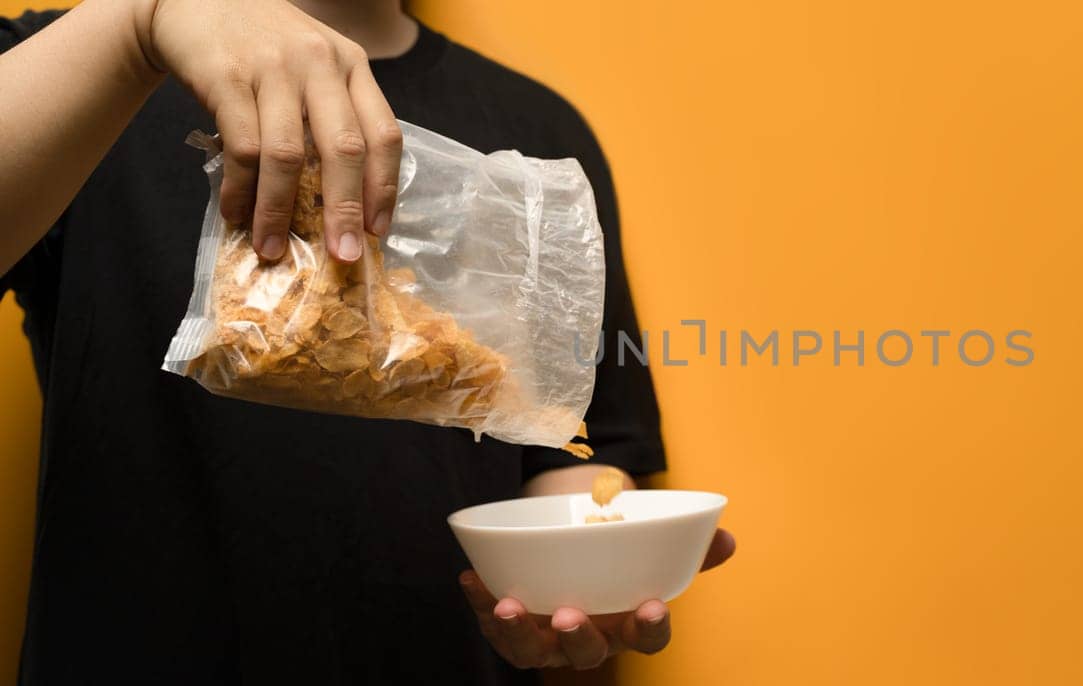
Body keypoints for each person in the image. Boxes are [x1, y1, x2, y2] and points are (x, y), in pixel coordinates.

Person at [0, 0, 735, 682]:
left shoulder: (538, 131)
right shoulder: (79, 63)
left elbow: (575, 443)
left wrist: (584, 578)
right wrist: (141, 21)